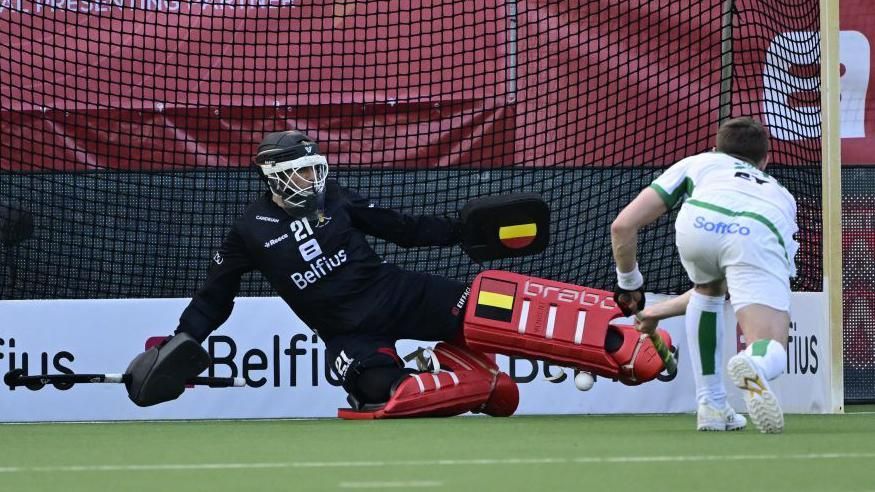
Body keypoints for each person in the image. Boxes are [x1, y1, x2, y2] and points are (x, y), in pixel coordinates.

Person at [125, 130, 672, 417]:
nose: (311, 181)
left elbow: (402, 228)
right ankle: (480, 385)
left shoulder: (335, 197)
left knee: (498, 311)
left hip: (398, 292)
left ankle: (622, 342)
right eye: (297, 173)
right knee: (380, 395)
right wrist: (181, 341)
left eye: (315, 170)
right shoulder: (249, 230)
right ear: (271, 177)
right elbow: (214, 297)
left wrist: (462, 231)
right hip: (348, 333)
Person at [610, 117, 798, 433]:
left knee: (707, 288)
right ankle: (755, 362)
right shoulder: (781, 195)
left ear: (715, 148)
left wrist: (633, 288)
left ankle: (711, 405)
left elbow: (623, 226)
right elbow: (733, 287)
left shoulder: (699, 163)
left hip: (698, 222)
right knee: (770, 343)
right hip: (759, 228)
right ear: (766, 160)